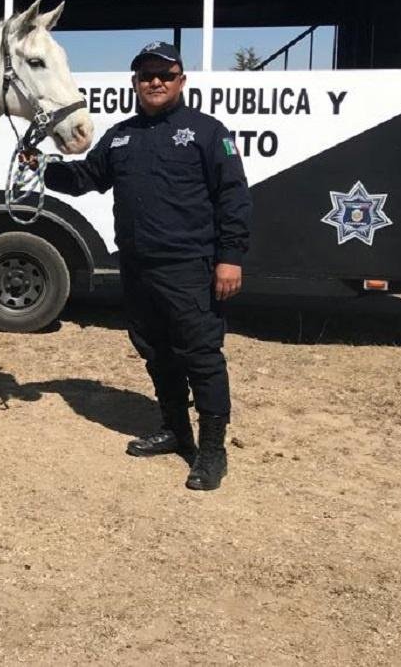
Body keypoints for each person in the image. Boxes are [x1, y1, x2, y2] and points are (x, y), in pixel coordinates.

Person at [43, 41, 251, 491]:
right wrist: (44, 169)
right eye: (146, 75)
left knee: (201, 357)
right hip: (137, 268)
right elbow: (86, 178)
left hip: (190, 267)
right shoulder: (121, 136)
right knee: (156, 352)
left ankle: (211, 450)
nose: (155, 82)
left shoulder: (207, 132)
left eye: (165, 75)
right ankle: (175, 429)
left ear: (181, 80)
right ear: (135, 83)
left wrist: (230, 258)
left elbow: (233, 197)